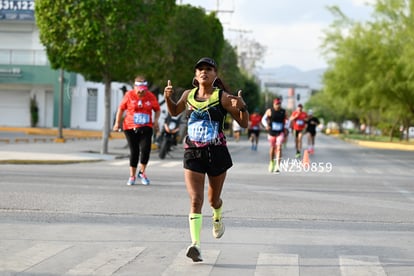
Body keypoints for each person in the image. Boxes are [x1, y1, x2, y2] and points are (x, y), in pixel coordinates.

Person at [163, 57, 248, 262]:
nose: (204, 72)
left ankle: (217, 215)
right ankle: (196, 245)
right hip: (193, 152)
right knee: (195, 199)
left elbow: (243, 123)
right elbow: (175, 110)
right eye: (200, 69)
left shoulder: (223, 97)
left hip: (216, 153)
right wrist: (168, 98)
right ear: (195, 75)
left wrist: (243, 107)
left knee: (212, 200)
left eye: (208, 69)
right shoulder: (188, 95)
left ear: (215, 75)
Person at [113, 76, 160, 186]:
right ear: (135, 88)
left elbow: (157, 110)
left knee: (145, 150)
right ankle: (132, 176)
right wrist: (117, 123)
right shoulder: (129, 95)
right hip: (130, 127)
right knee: (134, 152)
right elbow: (121, 109)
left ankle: (142, 173)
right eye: (139, 90)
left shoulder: (150, 96)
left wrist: (156, 121)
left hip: (146, 127)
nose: (141, 92)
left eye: (143, 90)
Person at [262, 98, 287, 173]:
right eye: (276, 104)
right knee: (272, 148)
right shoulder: (269, 111)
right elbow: (263, 119)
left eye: (279, 104)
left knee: (279, 147)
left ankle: (277, 166)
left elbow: (288, 120)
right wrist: (266, 125)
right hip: (271, 132)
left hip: (280, 132)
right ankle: (271, 162)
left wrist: (286, 128)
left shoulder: (283, 111)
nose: (278, 106)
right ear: (273, 104)